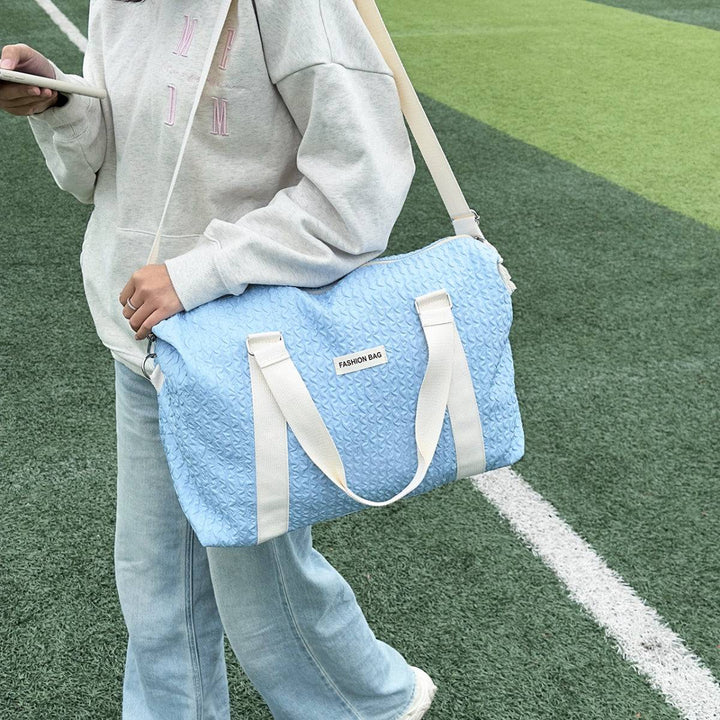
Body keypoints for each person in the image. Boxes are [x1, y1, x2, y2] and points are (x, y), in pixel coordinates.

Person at [0, 0, 439, 718]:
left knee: (257, 581)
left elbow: (358, 184)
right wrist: (60, 102)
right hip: (147, 342)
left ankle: (371, 704)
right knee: (155, 581)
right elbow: (106, 174)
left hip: (245, 342)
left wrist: (201, 271)